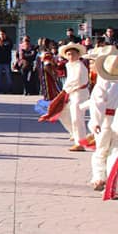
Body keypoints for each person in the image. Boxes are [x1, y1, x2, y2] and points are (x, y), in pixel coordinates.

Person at [39, 42, 92, 152]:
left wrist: (64, 91)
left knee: (77, 118)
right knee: (63, 113)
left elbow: (76, 81)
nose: (70, 56)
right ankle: (75, 133)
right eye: (68, 54)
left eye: (73, 54)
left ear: (78, 55)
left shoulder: (79, 65)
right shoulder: (69, 65)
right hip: (71, 92)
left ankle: (80, 142)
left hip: (79, 93)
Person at [85, 50, 118, 191]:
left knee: (101, 150)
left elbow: (97, 103)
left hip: (105, 120)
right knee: (115, 150)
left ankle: (99, 177)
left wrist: (95, 122)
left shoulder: (102, 83)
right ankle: (113, 183)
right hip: (116, 119)